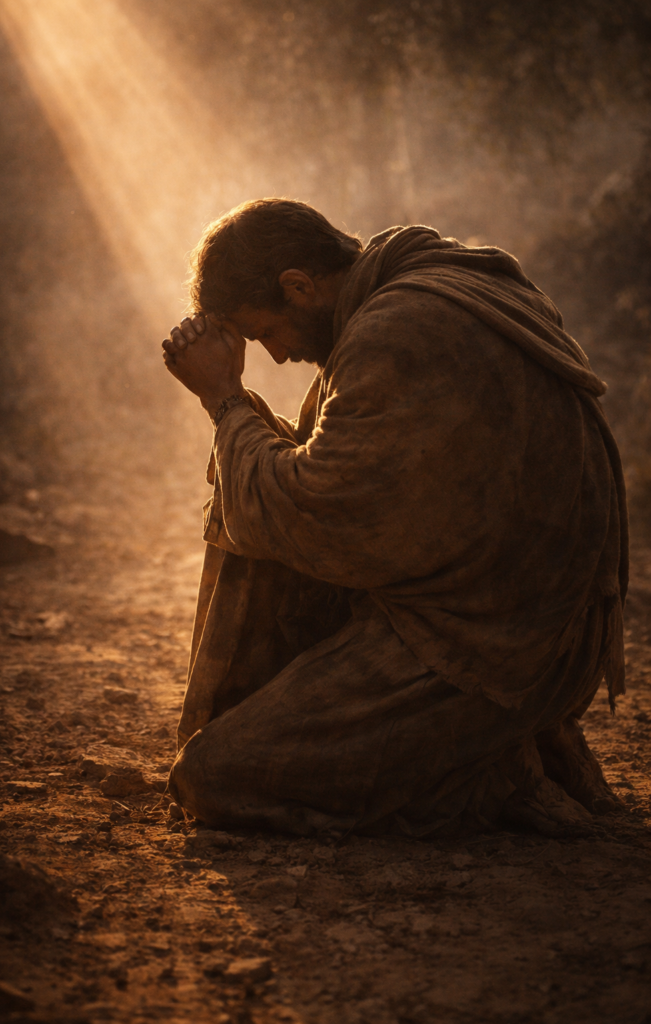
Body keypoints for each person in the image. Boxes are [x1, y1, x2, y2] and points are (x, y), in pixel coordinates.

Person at [162, 198, 626, 838]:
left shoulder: (397, 330)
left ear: (299, 286)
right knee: (252, 466)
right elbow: (339, 483)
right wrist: (242, 421)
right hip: (526, 626)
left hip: (487, 653)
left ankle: (488, 771)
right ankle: (507, 747)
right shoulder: (443, 281)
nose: (275, 353)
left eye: (266, 330)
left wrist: (223, 401)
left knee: (215, 775)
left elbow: (313, 513)